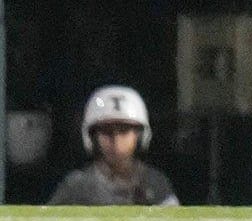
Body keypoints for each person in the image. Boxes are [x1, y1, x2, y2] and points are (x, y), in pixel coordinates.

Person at [46, 87, 177, 206]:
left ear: (140, 135)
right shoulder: (77, 186)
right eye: (106, 131)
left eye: (124, 131)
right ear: (93, 137)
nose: (116, 141)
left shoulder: (155, 182)